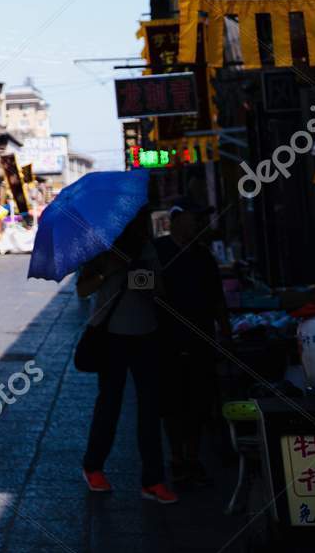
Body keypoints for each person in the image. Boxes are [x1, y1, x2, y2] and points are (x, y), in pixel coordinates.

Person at [77, 209, 177, 504]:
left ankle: (153, 480)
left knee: (149, 409)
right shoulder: (98, 247)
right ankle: (93, 466)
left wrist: (139, 276)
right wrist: (108, 269)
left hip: (146, 334)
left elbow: (160, 289)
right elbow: (83, 290)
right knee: (109, 404)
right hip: (112, 338)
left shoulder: (147, 247)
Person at [155, 204, 231, 487]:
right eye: (191, 219)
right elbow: (137, 284)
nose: (196, 225)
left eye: (198, 221)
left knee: (199, 399)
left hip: (201, 337)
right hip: (167, 339)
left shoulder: (203, 256)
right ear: (175, 222)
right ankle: (176, 458)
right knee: (172, 401)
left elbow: (217, 298)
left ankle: (193, 456)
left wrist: (226, 333)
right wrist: (156, 285)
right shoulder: (157, 251)